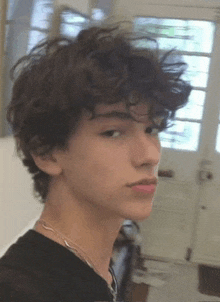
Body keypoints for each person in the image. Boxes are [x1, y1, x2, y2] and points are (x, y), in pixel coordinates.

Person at [0, 23, 191, 302]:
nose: (150, 155)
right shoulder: (20, 289)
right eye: (113, 132)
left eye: (152, 129)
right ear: (48, 154)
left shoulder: (94, 262)